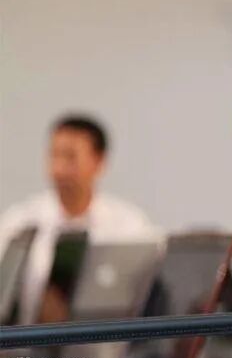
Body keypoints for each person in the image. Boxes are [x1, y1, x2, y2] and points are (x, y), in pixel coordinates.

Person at [0, 113, 159, 324]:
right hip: (28, 342)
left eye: (70, 157)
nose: (59, 169)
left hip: (104, 340)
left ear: (99, 161)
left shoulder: (130, 228)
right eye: (54, 156)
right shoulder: (18, 225)